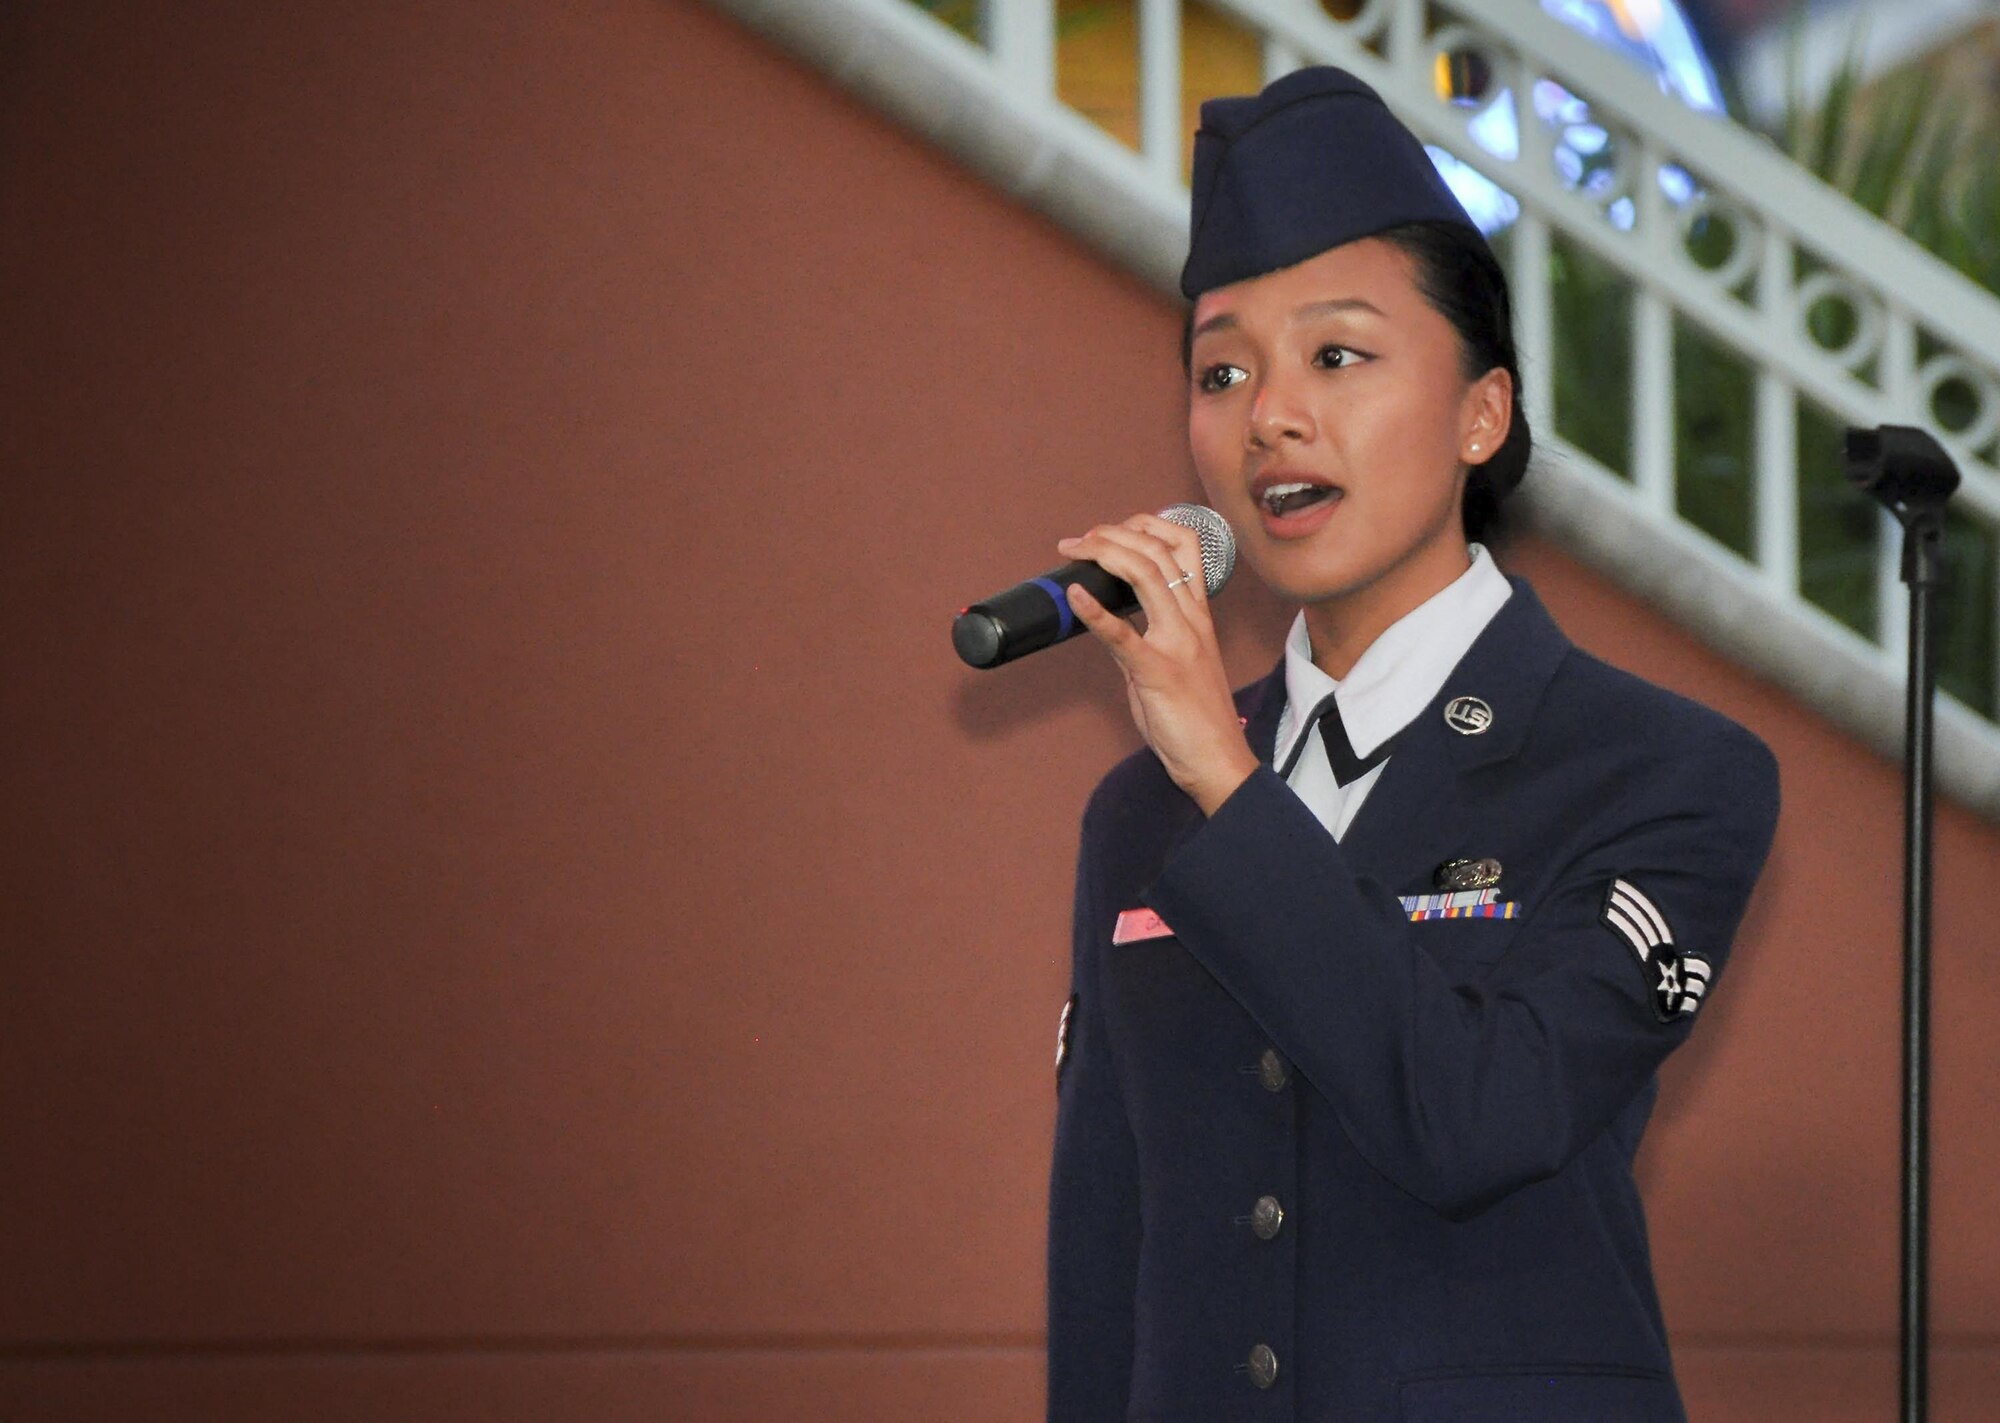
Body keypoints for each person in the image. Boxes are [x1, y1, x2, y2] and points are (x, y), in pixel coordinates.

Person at [1044, 66, 1780, 1422]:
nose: (1268, 413)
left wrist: (1226, 777)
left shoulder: (1665, 772)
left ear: (1481, 414)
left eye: (1336, 355)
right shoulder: (1133, 815)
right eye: (1222, 368)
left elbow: (1482, 1121)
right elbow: (1106, 1257)